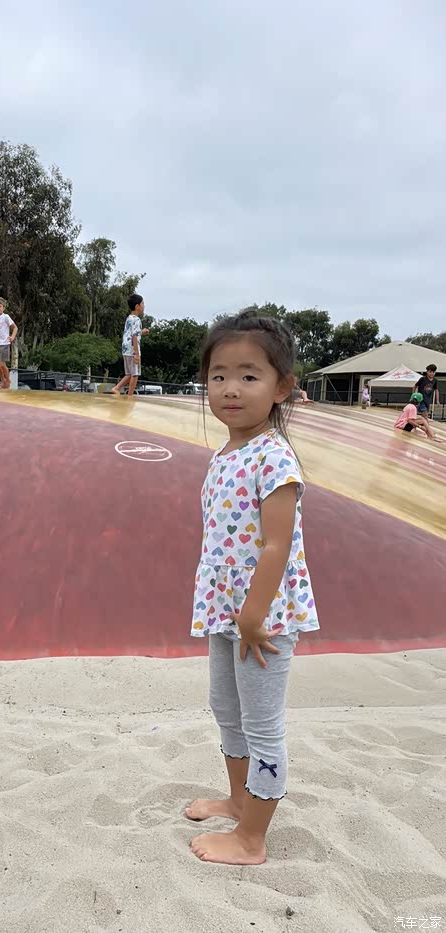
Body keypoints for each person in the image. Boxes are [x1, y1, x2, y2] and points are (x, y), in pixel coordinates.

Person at [185, 309, 319, 866]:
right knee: (226, 708)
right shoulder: (224, 454)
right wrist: (233, 611)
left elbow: (277, 545)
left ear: (282, 387)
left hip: (262, 618)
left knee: (262, 725)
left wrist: (254, 614)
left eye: (248, 375)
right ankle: (239, 801)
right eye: (218, 376)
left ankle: (251, 838)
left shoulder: (274, 457)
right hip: (227, 610)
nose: (230, 389)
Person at [109, 294, 150, 397]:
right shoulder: (137, 320)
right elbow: (134, 336)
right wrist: (136, 353)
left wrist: (141, 332)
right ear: (137, 306)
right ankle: (130, 396)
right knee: (135, 374)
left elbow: (132, 333)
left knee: (129, 374)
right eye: (142, 303)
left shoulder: (129, 318)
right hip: (133, 349)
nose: (144, 306)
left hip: (126, 349)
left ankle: (116, 388)